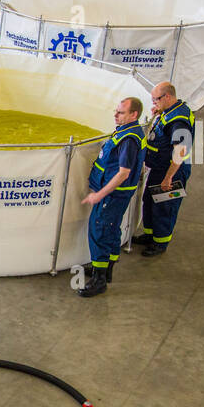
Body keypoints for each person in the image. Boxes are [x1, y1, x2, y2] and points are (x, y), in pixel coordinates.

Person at [77, 97, 145, 297]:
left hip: (113, 195)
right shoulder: (128, 132)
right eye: (116, 111)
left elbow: (123, 172)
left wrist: (99, 194)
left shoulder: (129, 140)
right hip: (116, 195)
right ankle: (106, 270)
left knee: (100, 231)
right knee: (111, 228)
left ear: (134, 115)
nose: (115, 115)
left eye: (121, 112)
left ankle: (99, 279)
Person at [136, 81, 193, 257]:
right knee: (150, 201)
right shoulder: (172, 110)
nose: (154, 103)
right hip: (159, 168)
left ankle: (160, 243)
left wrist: (168, 178)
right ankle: (151, 234)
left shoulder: (179, 121)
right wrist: (159, 111)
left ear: (167, 96)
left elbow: (180, 152)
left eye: (156, 100)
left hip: (171, 172)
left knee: (165, 207)